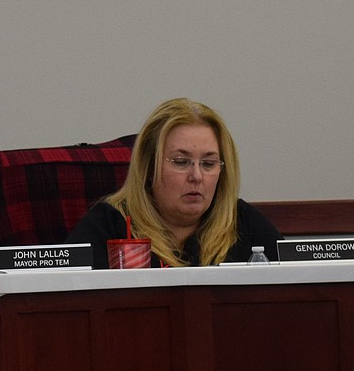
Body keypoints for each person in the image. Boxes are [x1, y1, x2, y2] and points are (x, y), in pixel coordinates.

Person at [67, 97, 282, 268]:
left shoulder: (241, 222)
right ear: (149, 168)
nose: (196, 176)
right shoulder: (110, 225)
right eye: (181, 162)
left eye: (208, 163)